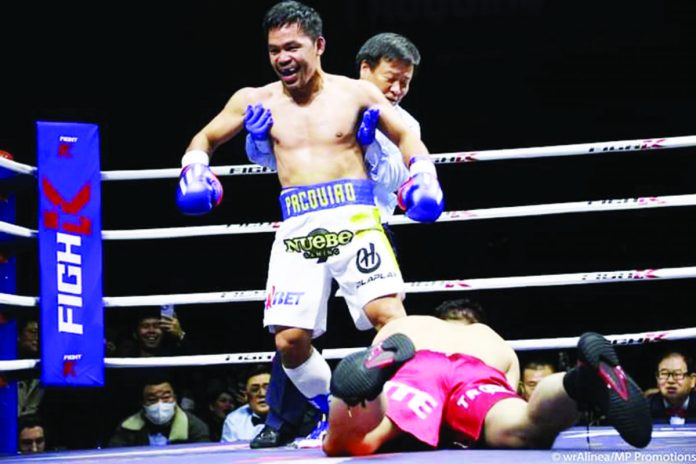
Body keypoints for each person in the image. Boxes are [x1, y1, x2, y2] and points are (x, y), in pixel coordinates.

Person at [177, 0, 443, 449]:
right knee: (290, 341)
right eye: (274, 49)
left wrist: (424, 174)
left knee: (390, 317)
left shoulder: (354, 94)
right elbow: (205, 136)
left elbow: (407, 133)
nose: (283, 57)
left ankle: (407, 414)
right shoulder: (254, 99)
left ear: (318, 46)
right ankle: (336, 411)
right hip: (297, 224)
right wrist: (195, 167)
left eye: (293, 47)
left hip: (355, 217)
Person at [242, 30, 425, 448]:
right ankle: (292, 417)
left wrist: (372, 147)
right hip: (310, 225)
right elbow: (276, 154)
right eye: (390, 78)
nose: (397, 89)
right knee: (292, 329)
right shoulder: (331, 103)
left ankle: (392, 415)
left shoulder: (404, 123)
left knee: (387, 321)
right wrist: (255, 138)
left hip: (368, 227)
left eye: (406, 82)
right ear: (365, 70)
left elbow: (399, 183)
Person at [324, 315, 652, 455]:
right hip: (478, 369)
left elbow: (388, 347)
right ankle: (577, 383)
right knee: (524, 429)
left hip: (417, 360)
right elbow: (510, 395)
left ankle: (355, 396)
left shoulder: (411, 325)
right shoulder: (493, 341)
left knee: (359, 443)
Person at [107, 376, 210, 447]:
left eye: (165, 397)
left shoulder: (195, 427)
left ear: (175, 399)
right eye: (152, 399)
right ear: (142, 403)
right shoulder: (127, 427)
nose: (160, 404)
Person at [221, 365, 271, 442]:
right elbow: (228, 453)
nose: (262, 394)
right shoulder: (234, 420)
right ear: (246, 396)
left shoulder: (293, 415)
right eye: (255, 389)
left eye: (268, 388)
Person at [646, 351, 696, 424]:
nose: (670, 381)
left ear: (692, 381)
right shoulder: (643, 409)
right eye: (664, 374)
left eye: (678, 374)